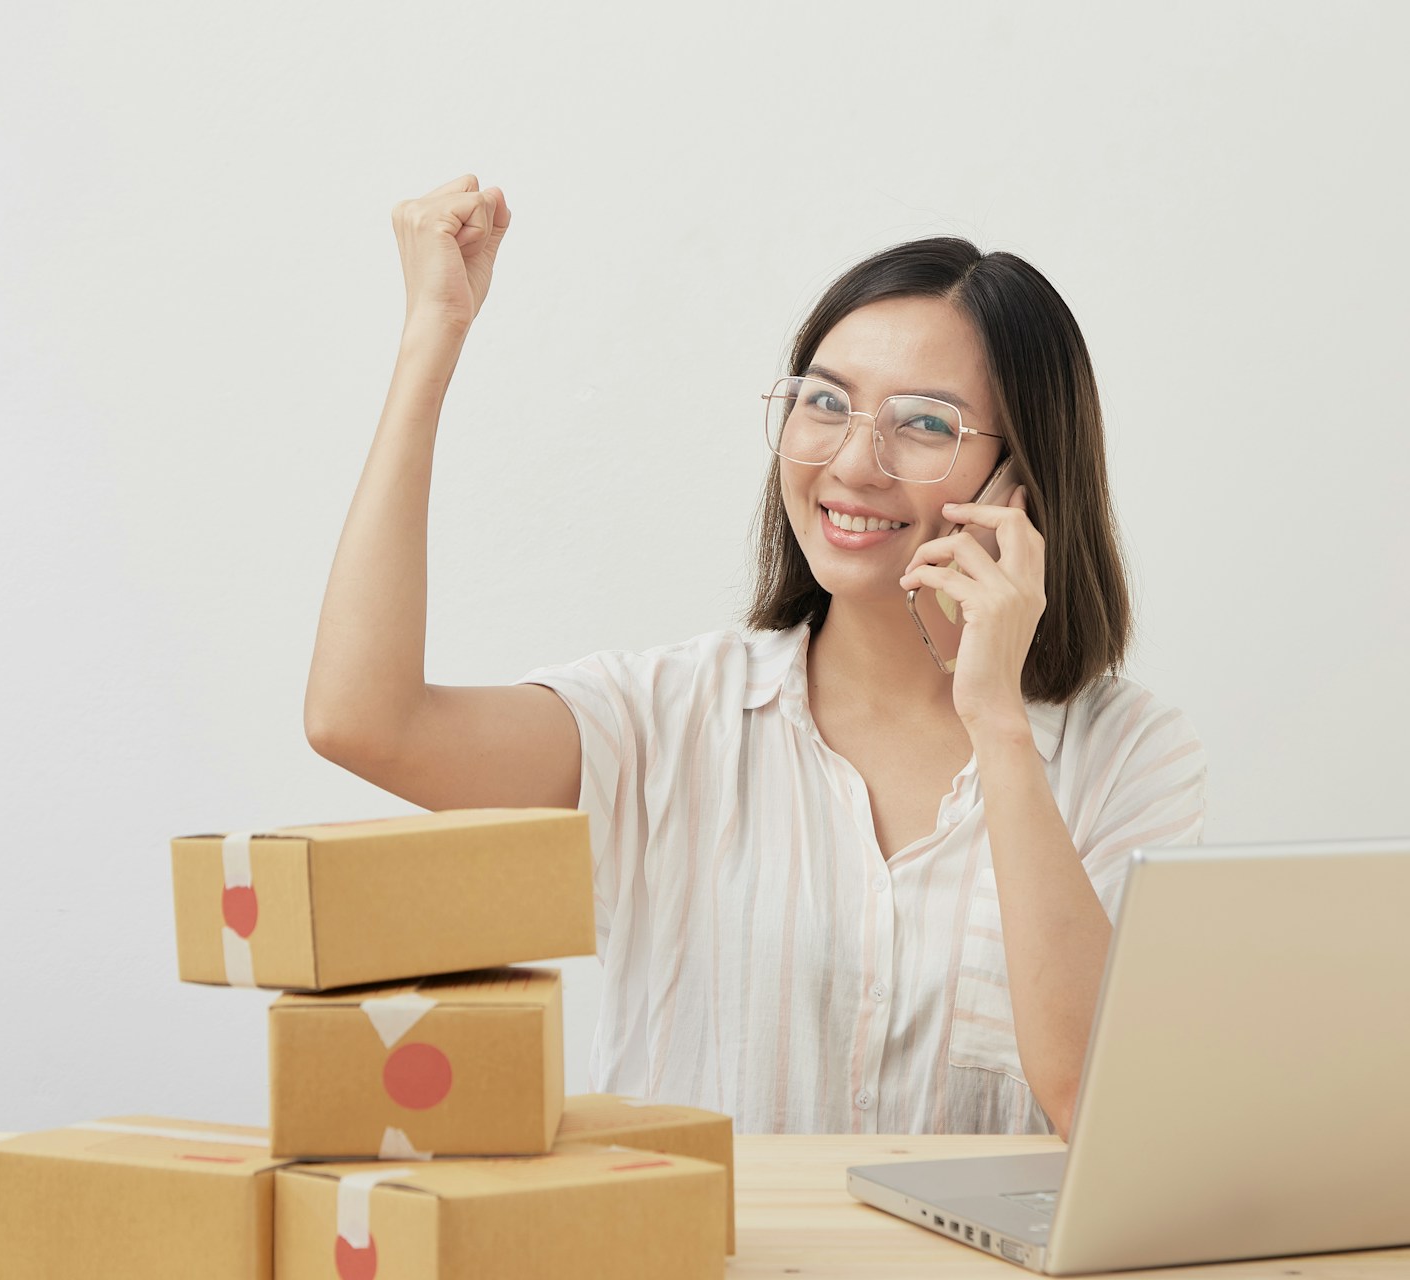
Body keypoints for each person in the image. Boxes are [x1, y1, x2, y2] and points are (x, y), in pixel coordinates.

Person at [305, 174, 1207, 1139]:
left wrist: (996, 720)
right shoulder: (671, 719)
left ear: (1021, 478)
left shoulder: (1127, 757)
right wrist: (430, 339)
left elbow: (1098, 1110)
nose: (854, 463)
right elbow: (364, 721)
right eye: (826, 403)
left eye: (926, 423)